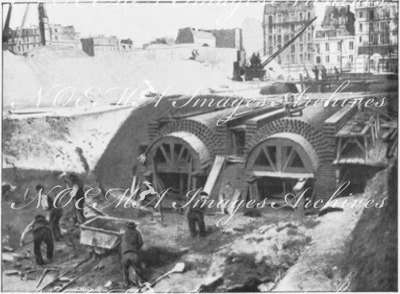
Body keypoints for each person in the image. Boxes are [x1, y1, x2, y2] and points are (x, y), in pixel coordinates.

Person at [121, 222, 145, 288]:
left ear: (127, 227)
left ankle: (126, 286)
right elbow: (141, 242)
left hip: (125, 255)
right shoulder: (137, 232)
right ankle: (141, 284)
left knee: (125, 271)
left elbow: (122, 244)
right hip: (133, 254)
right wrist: (136, 248)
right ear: (134, 227)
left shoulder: (124, 233)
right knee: (138, 270)